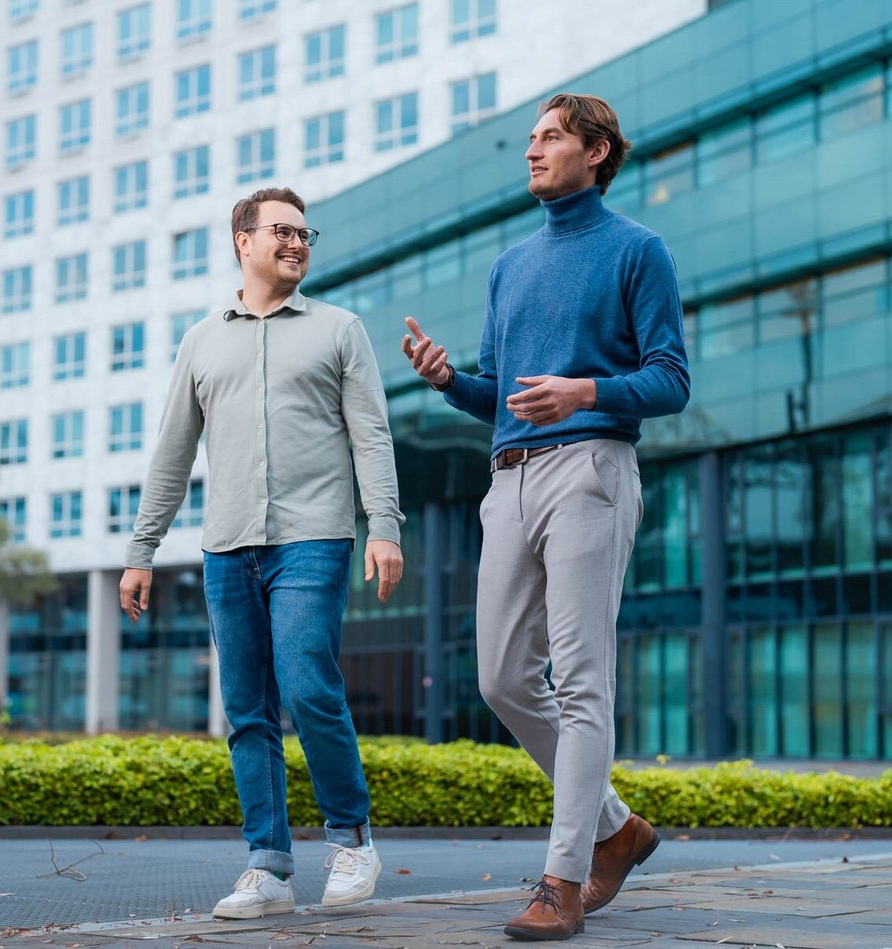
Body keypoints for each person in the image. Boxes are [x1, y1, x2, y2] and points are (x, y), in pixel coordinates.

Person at [402, 93, 690, 941]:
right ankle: (618, 828)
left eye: (552, 137)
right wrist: (450, 380)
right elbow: (506, 395)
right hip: (510, 477)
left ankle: (562, 878)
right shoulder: (509, 265)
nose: (532, 150)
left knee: (581, 677)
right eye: (530, 138)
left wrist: (588, 390)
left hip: (592, 471)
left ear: (597, 152)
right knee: (499, 676)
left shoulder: (640, 250)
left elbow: (671, 379)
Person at [120, 187, 405, 921]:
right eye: (281, 230)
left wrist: (385, 527)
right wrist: (141, 548)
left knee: (308, 680)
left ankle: (352, 838)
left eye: (305, 232)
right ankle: (268, 863)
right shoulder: (201, 342)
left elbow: (371, 435)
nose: (297, 242)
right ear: (242, 241)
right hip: (228, 546)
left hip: (314, 536)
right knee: (248, 709)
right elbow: (172, 452)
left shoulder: (340, 330)